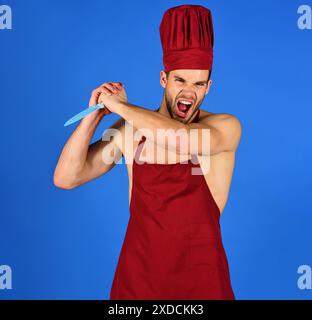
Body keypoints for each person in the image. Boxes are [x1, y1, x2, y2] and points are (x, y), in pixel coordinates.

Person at [54, 4, 242, 300]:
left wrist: (120, 106)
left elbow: (180, 140)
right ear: (163, 79)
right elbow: (67, 177)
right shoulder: (130, 131)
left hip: (203, 286)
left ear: (209, 87)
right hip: (137, 286)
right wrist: (94, 116)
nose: (189, 92)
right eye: (180, 80)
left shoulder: (223, 128)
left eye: (199, 84)